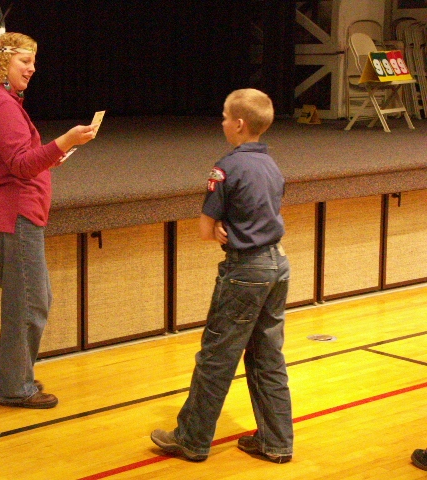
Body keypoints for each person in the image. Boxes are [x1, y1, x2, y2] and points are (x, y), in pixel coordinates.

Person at [150, 88, 293, 462]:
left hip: (245, 270)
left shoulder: (226, 167)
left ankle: (192, 438)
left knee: (216, 357)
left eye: (227, 117)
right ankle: (277, 441)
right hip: (278, 265)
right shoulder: (272, 165)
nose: (223, 122)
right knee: (268, 357)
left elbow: (204, 229)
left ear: (240, 124)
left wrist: (216, 228)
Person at [0, 30, 95, 409]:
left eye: (33, 61)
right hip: (11, 217)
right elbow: (21, 165)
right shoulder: (1, 106)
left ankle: (6, 378)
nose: (32, 68)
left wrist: (51, 155)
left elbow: (19, 161)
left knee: (28, 302)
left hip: (5, 216)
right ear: (2, 62)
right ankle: (16, 388)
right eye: (25, 61)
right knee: (31, 304)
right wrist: (65, 141)